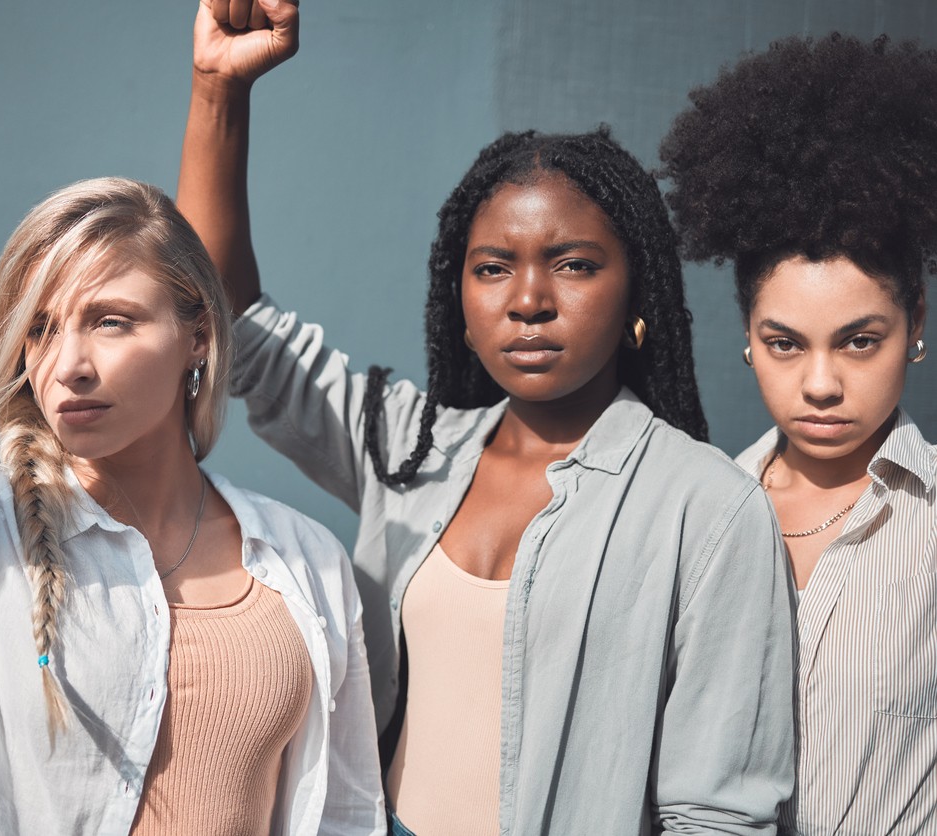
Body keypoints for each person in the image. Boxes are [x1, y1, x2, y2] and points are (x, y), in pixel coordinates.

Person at [0, 1, 384, 833]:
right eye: (39, 330)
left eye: (110, 320)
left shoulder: (305, 563)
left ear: (199, 333)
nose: (68, 364)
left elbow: (345, 813)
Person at [177, 1, 795, 833]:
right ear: (458, 299)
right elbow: (231, 322)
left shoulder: (707, 509)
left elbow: (719, 815)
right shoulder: (409, 450)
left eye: (573, 265)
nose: (529, 301)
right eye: (493, 268)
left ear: (635, 292)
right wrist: (218, 89)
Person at [660, 32, 937, 835]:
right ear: (746, 335)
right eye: (785, 343)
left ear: (914, 325)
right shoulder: (694, 517)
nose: (819, 383)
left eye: (858, 340)